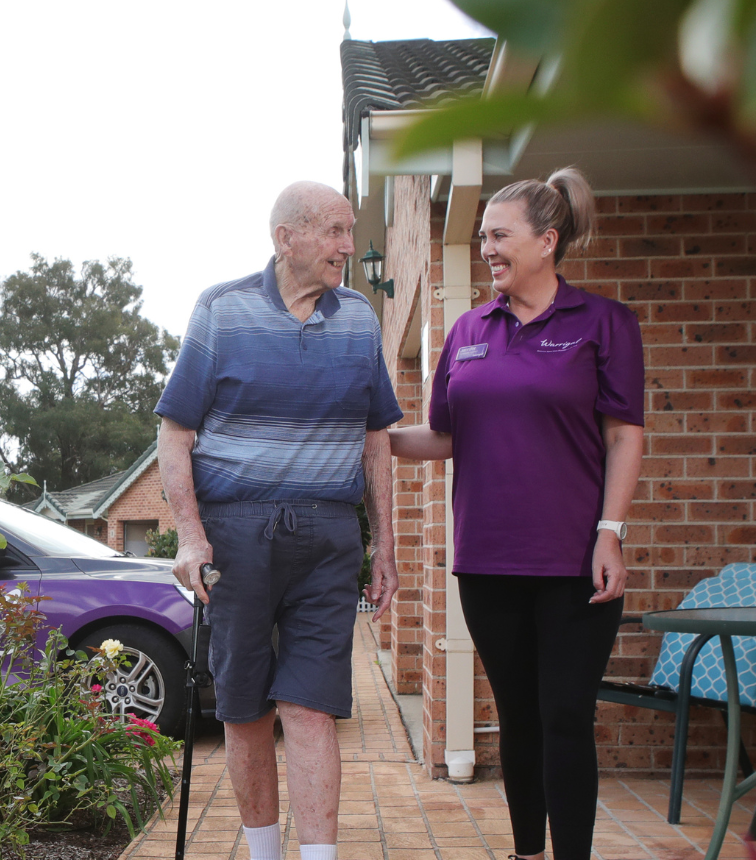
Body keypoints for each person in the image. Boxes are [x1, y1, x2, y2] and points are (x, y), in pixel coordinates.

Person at [389, 167, 644, 860]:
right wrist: (372, 435)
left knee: (565, 717)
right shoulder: (469, 328)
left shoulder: (603, 323)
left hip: (573, 564)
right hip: (487, 561)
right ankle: (526, 853)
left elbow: (624, 435)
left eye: (499, 235)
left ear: (546, 241)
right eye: (482, 237)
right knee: (519, 719)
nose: (487, 247)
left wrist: (610, 533)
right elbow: (442, 436)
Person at [155, 181, 402, 860]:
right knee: (244, 706)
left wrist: (384, 544)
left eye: (350, 232)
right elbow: (175, 434)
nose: (348, 247)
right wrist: (190, 533)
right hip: (235, 535)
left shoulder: (358, 319)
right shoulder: (222, 309)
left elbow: (376, 437)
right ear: (285, 237)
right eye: (333, 231)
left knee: (311, 704)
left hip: (327, 538)